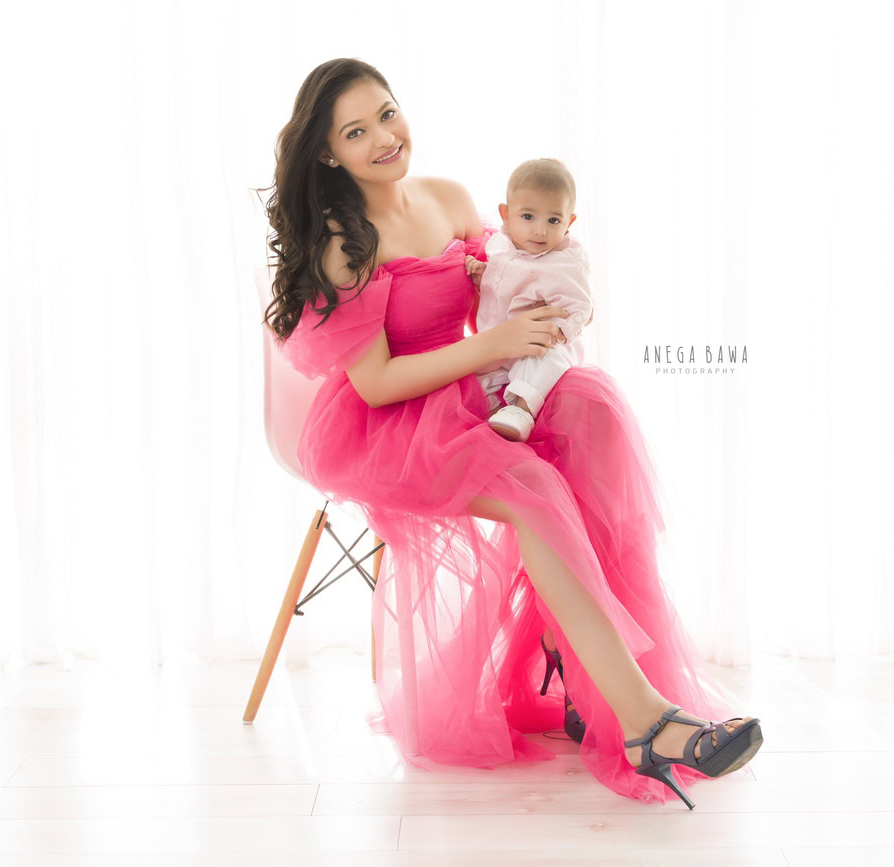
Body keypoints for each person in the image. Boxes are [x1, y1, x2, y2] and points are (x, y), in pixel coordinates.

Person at [259, 57, 763, 807]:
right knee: (532, 490)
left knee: (593, 412)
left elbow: (510, 278)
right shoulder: (345, 241)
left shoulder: (451, 197)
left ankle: (572, 659)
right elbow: (378, 382)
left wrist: (552, 305)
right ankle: (645, 719)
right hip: (397, 419)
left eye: (388, 114)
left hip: (475, 387)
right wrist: (495, 348)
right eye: (357, 132)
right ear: (329, 153)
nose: (385, 138)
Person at [467, 157, 593, 443]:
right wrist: (481, 274)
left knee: (544, 361)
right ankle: (492, 411)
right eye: (528, 217)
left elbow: (581, 304)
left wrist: (558, 331)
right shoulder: (501, 245)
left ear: (569, 221)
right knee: (474, 376)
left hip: (539, 342)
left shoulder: (565, 262)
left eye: (553, 220)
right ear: (506, 214)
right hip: (497, 339)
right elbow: (503, 283)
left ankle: (521, 410)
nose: (540, 230)